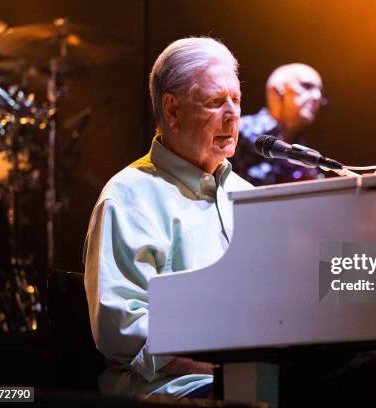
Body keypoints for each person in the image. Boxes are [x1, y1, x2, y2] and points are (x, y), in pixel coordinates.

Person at [83, 37, 252, 398]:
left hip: (247, 382)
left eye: (236, 100)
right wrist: (224, 369)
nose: (233, 114)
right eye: (214, 101)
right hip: (174, 389)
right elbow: (124, 330)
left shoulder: (249, 196)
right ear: (172, 110)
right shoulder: (128, 197)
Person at [231, 63, 327, 185]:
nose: (317, 97)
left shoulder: (305, 150)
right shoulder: (239, 130)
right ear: (276, 92)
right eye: (306, 86)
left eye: (320, 92)